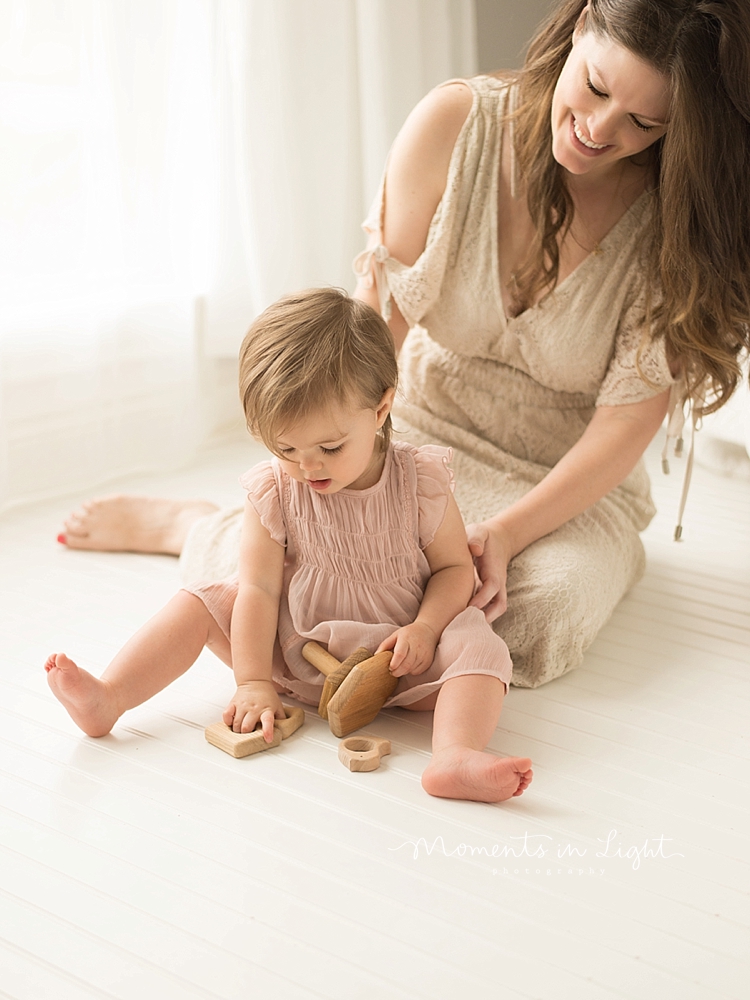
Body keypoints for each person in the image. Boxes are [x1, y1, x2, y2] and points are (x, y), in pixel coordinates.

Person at [58, 0, 750, 689]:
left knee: (530, 611)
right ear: (580, 25)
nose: (599, 129)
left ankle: (289, 585)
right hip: (416, 427)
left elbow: (627, 422)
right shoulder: (457, 124)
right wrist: (355, 441)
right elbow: (376, 322)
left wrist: (505, 535)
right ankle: (201, 527)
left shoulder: (678, 222)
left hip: (564, 479)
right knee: (296, 563)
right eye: (596, 88)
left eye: (642, 123)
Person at [46, 288, 532, 804]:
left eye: (329, 447)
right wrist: (253, 680)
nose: (309, 467)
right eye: (286, 449)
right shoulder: (274, 490)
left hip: (403, 663)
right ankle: (110, 696)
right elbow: (257, 587)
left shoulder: (421, 482)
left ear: (381, 408)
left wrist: (427, 628)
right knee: (202, 601)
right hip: (299, 652)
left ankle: (454, 754)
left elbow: (455, 570)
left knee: (478, 641)